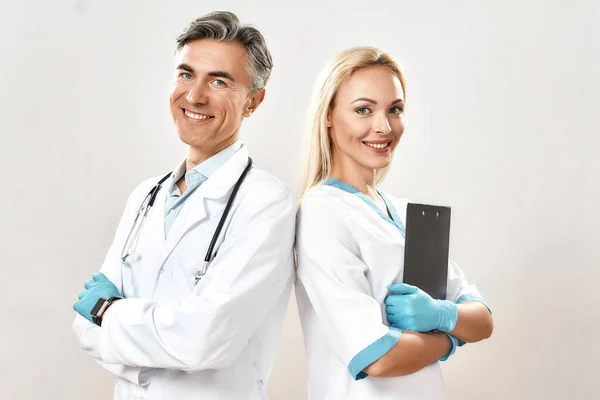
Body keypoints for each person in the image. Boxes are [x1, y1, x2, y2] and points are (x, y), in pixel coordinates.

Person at [72, 11, 295, 400]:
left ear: (253, 101)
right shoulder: (146, 196)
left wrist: (109, 312)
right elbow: (84, 329)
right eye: (186, 74)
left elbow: (204, 340)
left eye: (219, 81)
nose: (194, 96)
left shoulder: (265, 203)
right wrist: (146, 332)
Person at [295, 46, 494, 399]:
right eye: (363, 110)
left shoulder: (405, 213)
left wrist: (443, 314)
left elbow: (482, 320)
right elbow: (378, 357)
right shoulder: (322, 212)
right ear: (328, 114)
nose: (384, 127)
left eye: (395, 110)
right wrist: (449, 334)